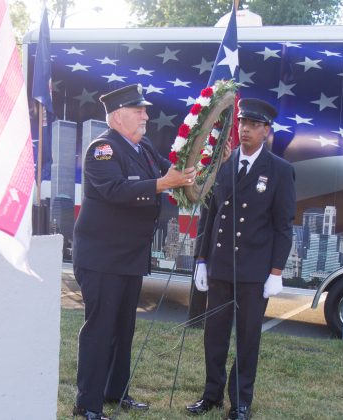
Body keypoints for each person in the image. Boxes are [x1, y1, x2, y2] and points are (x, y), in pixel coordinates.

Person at [72, 84, 196, 419]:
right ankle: (87, 405)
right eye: (138, 110)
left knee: (123, 328)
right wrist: (162, 184)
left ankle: (116, 393)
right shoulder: (103, 149)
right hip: (102, 258)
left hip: (128, 257)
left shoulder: (143, 148)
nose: (146, 115)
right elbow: (115, 190)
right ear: (116, 116)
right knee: (100, 330)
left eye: (145, 109)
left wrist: (191, 170)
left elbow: (171, 170)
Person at [185, 98, 296, 420]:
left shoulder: (279, 170)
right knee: (214, 335)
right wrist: (201, 259)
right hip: (220, 266)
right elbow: (210, 215)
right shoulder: (223, 165)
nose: (245, 130)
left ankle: (241, 402)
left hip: (253, 272)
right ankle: (211, 395)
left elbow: (283, 226)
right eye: (242, 124)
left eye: (253, 125)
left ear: (266, 131)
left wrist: (276, 270)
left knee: (247, 338)